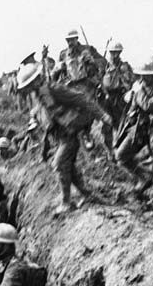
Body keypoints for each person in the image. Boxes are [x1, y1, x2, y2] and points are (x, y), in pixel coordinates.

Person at [15, 56, 114, 214]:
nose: (25, 90)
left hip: (70, 133)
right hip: (58, 136)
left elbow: (82, 99)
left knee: (59, 164)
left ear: (35, 81)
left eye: (27, 86)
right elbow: (42, 117)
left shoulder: (54, 89)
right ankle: (85, 194)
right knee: (69, 166)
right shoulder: (36, 96)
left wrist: (102, 115)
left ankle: (66, 202)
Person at [115, 56, 153, 212]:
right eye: (140, 75)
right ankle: (143, 177)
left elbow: (149, 106)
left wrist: (137, 92)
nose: (142, 78)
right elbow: (131, 103)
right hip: (139, 127)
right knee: (121, 155)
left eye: (145, 75)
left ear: (152, 75)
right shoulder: (139, 85)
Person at [53, 29, 108, 151]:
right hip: (70, 85)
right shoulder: (63, 54)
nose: (70, 42)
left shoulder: (88, 49)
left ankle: (86, 133)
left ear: (77, 38)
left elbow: (104, 62)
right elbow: (55, 74)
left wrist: (93, 61)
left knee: (87, 108)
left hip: (86, 84)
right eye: (68, 40)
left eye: (72, 39)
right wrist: (58, 68)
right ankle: (69, 137)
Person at [100, 42, 135, 158]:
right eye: (112, 52)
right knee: (106, 125)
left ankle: (120, 151)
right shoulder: (104, 66)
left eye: (116, 52)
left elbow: (131, 81)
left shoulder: (124, 66)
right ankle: (109, 151)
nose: (114, 55)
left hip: (120, 98)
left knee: (121, 124)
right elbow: (98, 79)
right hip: (106, 98)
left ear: (120, 53)